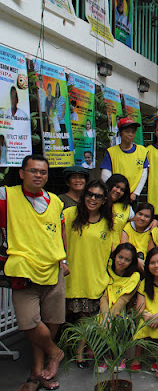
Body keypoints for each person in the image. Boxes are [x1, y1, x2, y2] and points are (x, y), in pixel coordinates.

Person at [1, 155, 67, 390]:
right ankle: (55, 352)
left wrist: (64, 259)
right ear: (21, 173)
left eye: (43, 172)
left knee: (51, 323)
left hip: (53, 269)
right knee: (29, 323)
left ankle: (37, 373)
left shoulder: (55, 201)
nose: (38, 175)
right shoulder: (6, 196)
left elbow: (60, 232)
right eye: (33, 170)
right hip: (23, 271)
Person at [64, 180, 114, 369]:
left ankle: (80, 353)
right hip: (72, 276)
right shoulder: (69, 215)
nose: (93, 199)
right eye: (90, 194)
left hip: (95, 278)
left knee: (87, 318)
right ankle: (74, 352)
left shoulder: (108, 222)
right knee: (72, 319)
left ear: (104, 200)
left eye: (98, 196)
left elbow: (112, 250)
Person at [98, 243, 140, 373]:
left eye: (127, 259)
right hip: (104, 311)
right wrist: (105, 317)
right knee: (99, 323)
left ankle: (119, 357)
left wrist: (110, 318)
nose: (122, 261)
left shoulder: (134, 277)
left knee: (120, 324)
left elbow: (123, 300)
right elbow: (103, 297)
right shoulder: (106, 270)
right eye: (120, 257)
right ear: (115, 256)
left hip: (123, 313)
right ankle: (103, 358)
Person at [101, 117, 149, 203]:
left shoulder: (142, 151)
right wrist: (115, 191)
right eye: (127, 131)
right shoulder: (111, 152)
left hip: (132, 196)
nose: (130, 134)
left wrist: (136, 193)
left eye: (133, 132)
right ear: (120, 133)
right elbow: (105, 174)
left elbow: (143, 174)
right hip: (115, 196)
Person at [121, 203, 156, 271]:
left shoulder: (152, 230)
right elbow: (123, 250)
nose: (142, 218)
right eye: (140, 214)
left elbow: (151, 254)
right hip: (129, 262)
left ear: (151, 219)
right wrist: (137, 261)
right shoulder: (127, 227)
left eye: (146, 216)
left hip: (146, 264)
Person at [106, 174, 135, 245]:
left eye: (122, 190)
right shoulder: (98, 203)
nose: (118, 191)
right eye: (117, 187)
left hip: (116, 248)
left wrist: (155, 221)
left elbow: (136, 226)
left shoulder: (127, 209)